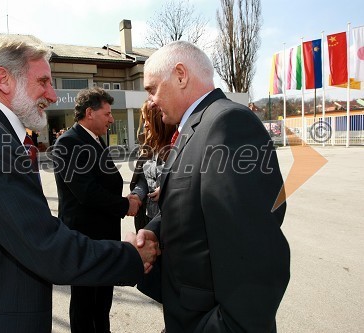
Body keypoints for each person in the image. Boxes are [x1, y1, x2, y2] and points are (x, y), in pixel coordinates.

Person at [0, 35, 159, 333]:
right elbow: (40, 241)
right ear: (4, 79)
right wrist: (129, 257)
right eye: (43, 82)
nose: (52, 95)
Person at [136, 41, 290, 332]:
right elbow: (190, 201)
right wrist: (154, 229)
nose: (151, 101)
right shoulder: (194, 126)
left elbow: (256, 252)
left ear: (181, 75)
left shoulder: (227, 123)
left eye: (151, 88)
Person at [52, 87, 141, 333]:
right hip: (84, 239)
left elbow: (103, 182)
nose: (112, 119)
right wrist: (126, 205)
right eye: (108, 113)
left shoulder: (94, 139)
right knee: (85, 303)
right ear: (90, 113)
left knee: (101, 301)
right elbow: (86, 192)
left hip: (102, 237)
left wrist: (126, 198)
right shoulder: (69, 142)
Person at [130, 101, 175, 231]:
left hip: (171, 220)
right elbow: (143, 180)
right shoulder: (148, 146)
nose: (145, 124)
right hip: (149, 219)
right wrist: (137, 194)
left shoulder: (178, 144)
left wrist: (166, 189)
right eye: (143, 120)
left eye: (147, 119)